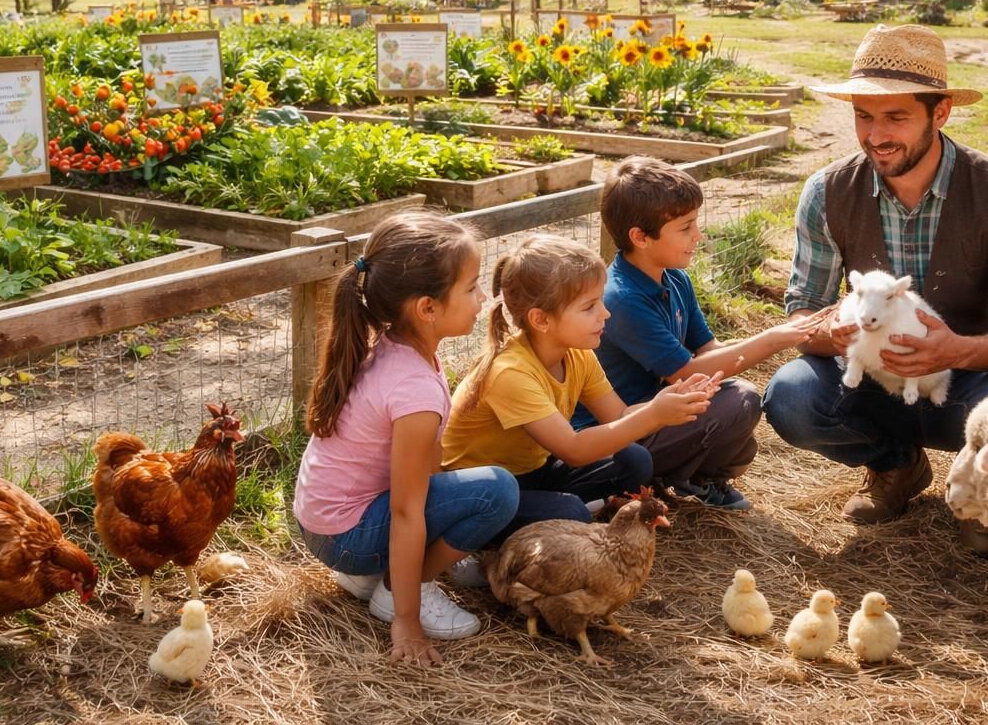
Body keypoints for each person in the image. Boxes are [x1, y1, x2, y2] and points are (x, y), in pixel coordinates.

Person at [762, 23, 988, 556]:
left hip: (961, 382)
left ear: (939, 113)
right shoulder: (826, 193)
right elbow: (801, 315)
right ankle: (896, 465)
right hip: (871, 378)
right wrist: (833, 330)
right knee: (791, 395)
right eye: (864, 116)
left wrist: (958, 349)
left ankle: (981, 489)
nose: (876, 135)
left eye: (896, 117)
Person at [293, 212, 518, 665]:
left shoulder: (390, 346)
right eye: (472, 286)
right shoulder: (413, 389)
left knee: (457, 486)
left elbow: (423, 472)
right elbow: (406, 509)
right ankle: (398, 590)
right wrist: (406, 621)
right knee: (498, 490)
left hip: (324, 525)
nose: (483, 297)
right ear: (427, 308)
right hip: (347, 536)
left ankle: (371, 574)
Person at [588, 157, 829, 510]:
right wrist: (774, 339)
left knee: (739, 425)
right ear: (640, 237)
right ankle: (658, 481)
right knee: (740, 401)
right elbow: (686, 372)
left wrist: (778, 336)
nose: (697, 236)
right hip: (620, 433)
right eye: (685, 228)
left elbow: (707, 350)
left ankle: (686, 479)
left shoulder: (675, 279)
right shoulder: (622, 298)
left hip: (661, 412)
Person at [442, 234, 714, 538]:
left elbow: (618, 415)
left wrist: (668, 400)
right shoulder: (510, 372)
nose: (605, 313)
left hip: (533, 470)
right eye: (589, 307)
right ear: (541, 320)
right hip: (485, 491)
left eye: (600, 301)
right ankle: (480, 538)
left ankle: (569, 511)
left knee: (635, 461)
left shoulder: (577, 354)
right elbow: (573, 450)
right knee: (569, 512)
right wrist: (655, 415)